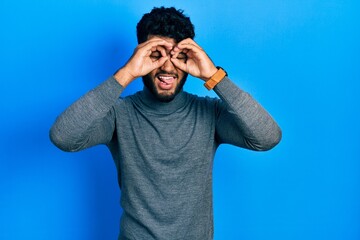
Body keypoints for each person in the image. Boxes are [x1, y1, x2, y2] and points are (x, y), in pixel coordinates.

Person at [50, 6, 282, 240]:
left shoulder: (210, 113)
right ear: (139, 55)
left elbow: (267, 137)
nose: (168, 67)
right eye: (156, 55)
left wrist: (214, 76)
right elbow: (63, 137)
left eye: (179, 57)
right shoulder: (118, 114)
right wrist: (126, 74)